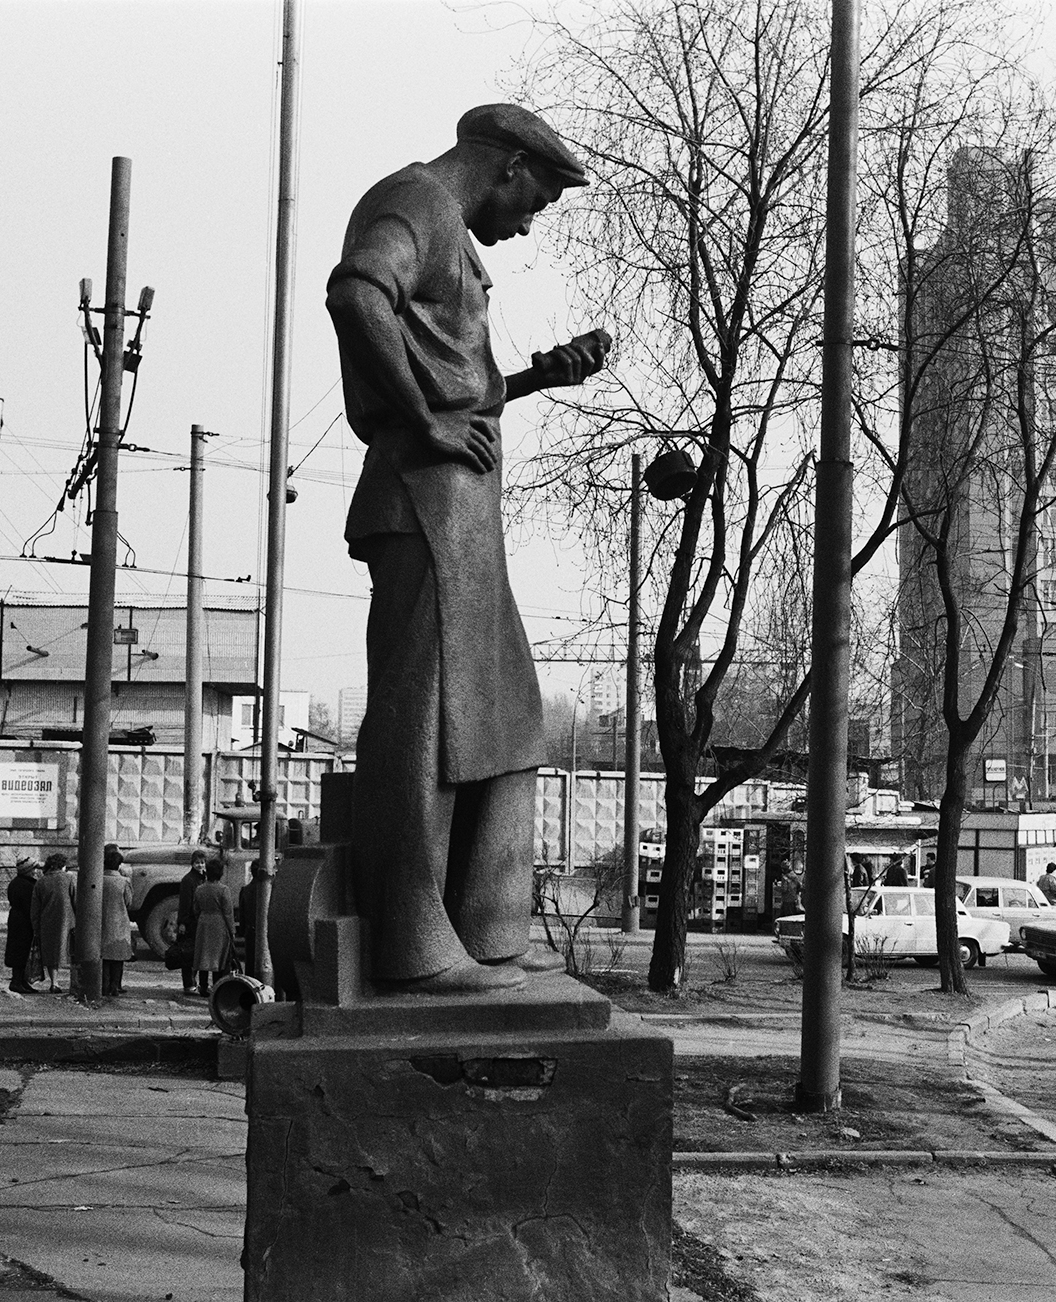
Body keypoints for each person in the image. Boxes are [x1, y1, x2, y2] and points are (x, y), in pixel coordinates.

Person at [327, 102, 609, 994]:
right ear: (510, 167)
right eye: (537, 203)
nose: (528, 224)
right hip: (423, 506)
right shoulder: (414, 203)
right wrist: (423, 425)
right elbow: (355, 291)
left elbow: (458, 392)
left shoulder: (442, 224)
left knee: (506, 714)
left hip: (458, 516)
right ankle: (416, 945)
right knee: (425, 720)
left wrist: (535, 378)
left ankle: (486, 929)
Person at [191, 859, 239, 995]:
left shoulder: (199, 889)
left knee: (203, 955)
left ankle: (203, 986)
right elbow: (228, 913)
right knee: (219, 958)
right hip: (219, 924)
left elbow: (195, 909)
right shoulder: (224, 890)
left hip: (203, 922)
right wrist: (232, 931)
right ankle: (217, 986)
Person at [31, 853, 74, 992]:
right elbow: (76, 900)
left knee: (51, 954)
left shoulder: (41, 882)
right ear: (62, 865)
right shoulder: (69, 878)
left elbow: (35, 908)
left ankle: (54, 982)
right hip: (68, 922)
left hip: (47, 922)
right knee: (71, 951)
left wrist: (36, 927)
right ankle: (75, 983)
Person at [4, 857, 41, 995]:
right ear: (28, 870)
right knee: (22, 951)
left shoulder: (16, 883)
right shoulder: (27, 885)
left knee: (20, 951)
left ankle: (21, 981)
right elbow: (30, 906)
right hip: (24, 922)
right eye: (34, 869)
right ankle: (17, 982)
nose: (36, 871)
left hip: (16, 920)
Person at [100, 852, 133, 997]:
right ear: (118, 865)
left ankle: (104, 986)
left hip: (102, 921)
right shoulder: (124, 881)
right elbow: (129, 902)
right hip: (120, 922)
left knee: (104, 957)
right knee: (118, 957)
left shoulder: (99, 879)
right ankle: (115, 986)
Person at [174, 850, 207, 992]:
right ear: (192, 863)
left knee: (196, 952)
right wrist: (182, 922)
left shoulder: (203, 878)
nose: (200, 865)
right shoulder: (188, 880)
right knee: (188, 953)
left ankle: (193, 982)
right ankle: (189, 983)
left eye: (202, 862)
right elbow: (184, 903)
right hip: (191, 921)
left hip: (199, 920)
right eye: (197, 863)